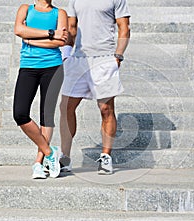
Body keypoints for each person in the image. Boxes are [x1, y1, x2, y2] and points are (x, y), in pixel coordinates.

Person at [59, 0, 131, 174]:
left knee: (106, 108)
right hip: (78, 59)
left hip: (104, 58)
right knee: (66, 106)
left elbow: (124, 27)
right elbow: (71, 28)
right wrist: (66, 55)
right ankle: (65, 157)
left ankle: (106, 156)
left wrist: (118, 55)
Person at [13, 0, 68, 179]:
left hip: (53, 67)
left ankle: (39, 162)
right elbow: (19, 30)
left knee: (47, 115)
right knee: (19, 113)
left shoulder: (60, 13)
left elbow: (61, 42)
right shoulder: (25, 9)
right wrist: (50, 33)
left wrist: (31, 39)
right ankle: (50, 152)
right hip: (28, 66)